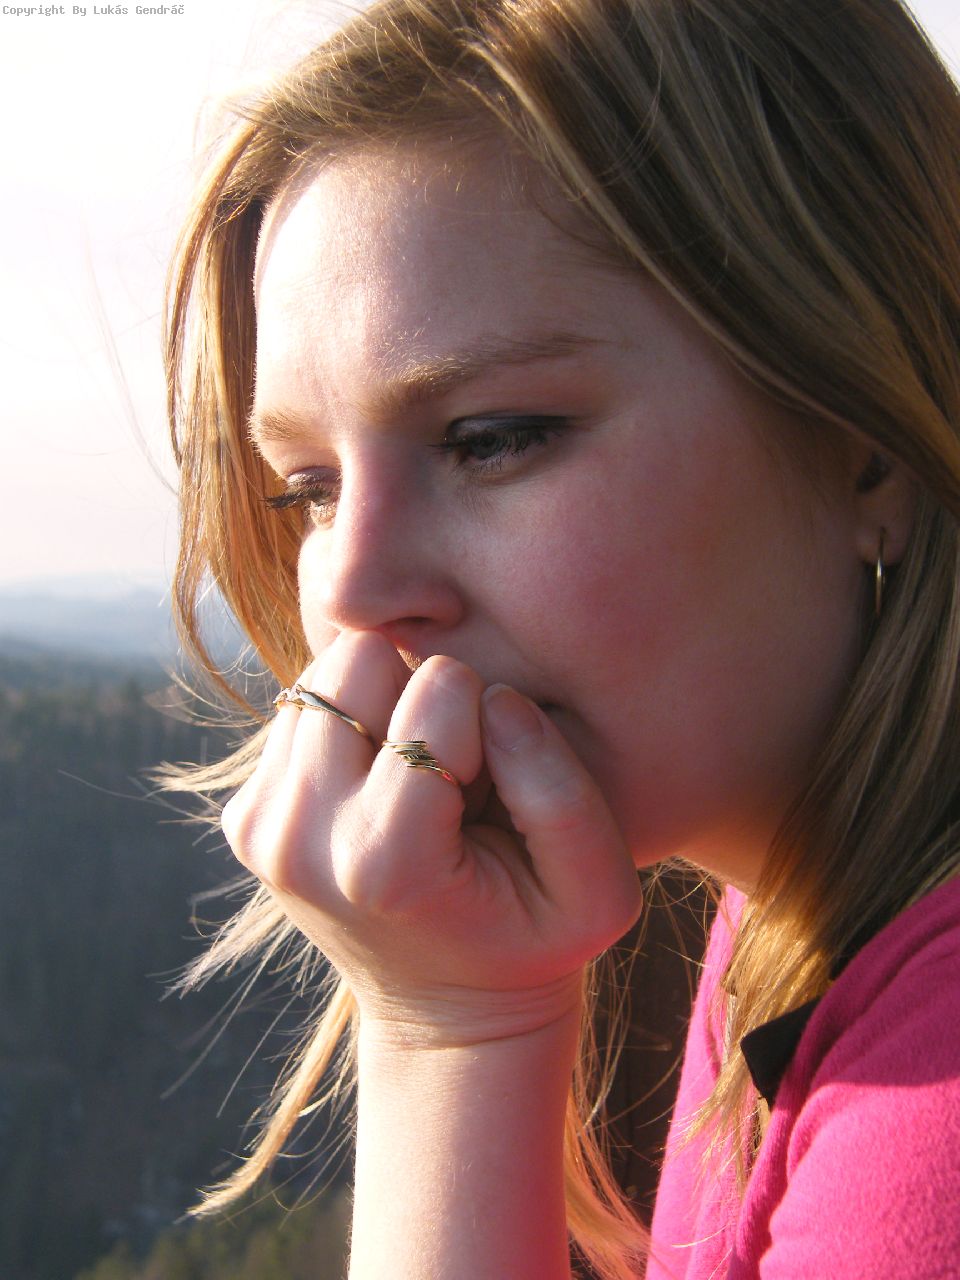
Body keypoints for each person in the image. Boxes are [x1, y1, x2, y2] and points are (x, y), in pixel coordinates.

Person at [163, 0, 960, 1275]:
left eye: (492, 439)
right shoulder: (795, 915)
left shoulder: (934, 1107)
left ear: (869, 442)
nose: (353, 584)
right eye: (307, 489)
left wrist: (451, 1035)